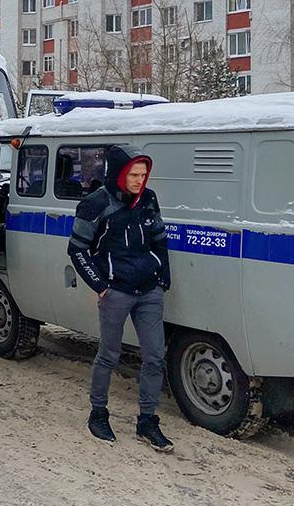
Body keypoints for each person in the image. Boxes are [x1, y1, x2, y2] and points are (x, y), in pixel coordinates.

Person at [67, 144, 173, 453]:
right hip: (116, 291)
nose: (141, 181)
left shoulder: (149, 199)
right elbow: (77, 249)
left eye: (144, 174)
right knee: (108, 355)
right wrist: (101, 286)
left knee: (155, 356)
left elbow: (160, 239)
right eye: (134, 175)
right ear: (119, 174)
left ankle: (147, 422)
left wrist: (163, 277)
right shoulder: (95, 204)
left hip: (149, 290)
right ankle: (98, 413)